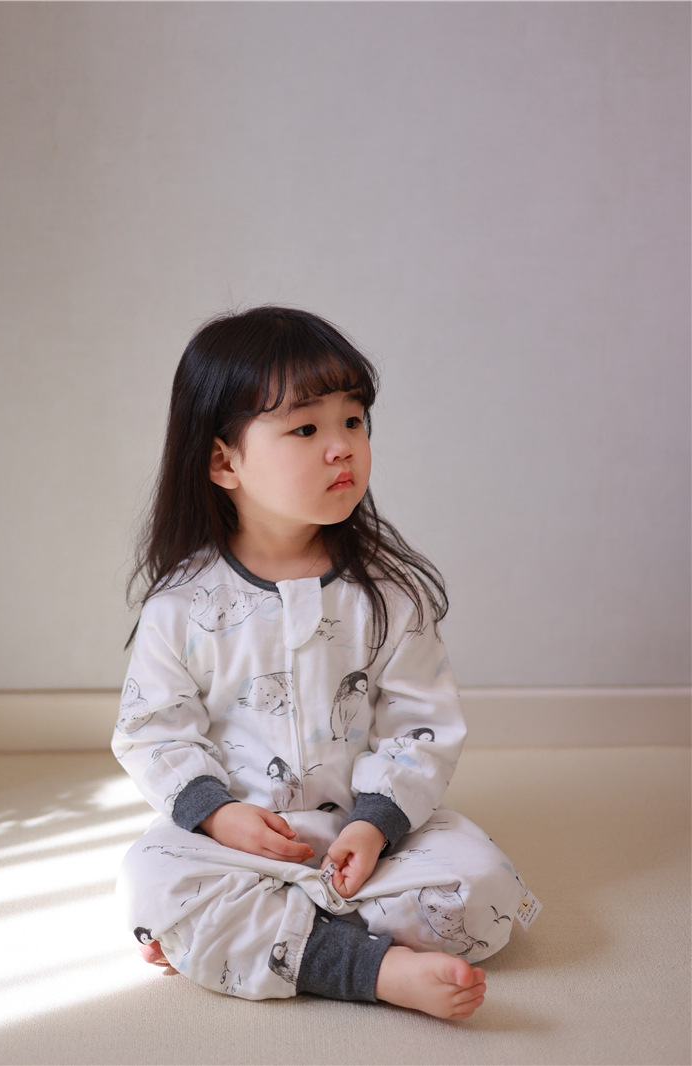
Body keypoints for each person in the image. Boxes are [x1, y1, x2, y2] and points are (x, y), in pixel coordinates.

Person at [113, 306, 529, 1019]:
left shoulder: (390, 596)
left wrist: (374, 825)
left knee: (482, 888)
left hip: (365, 836)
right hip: (238, 839)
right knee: (151, 884)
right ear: (223, 462)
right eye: (306, 429)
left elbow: (421, 728)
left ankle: (254, 935)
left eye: (354, 421)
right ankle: (374, 969)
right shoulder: (182, 606)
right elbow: (153, 731)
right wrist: (219, 816)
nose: (342, 448)